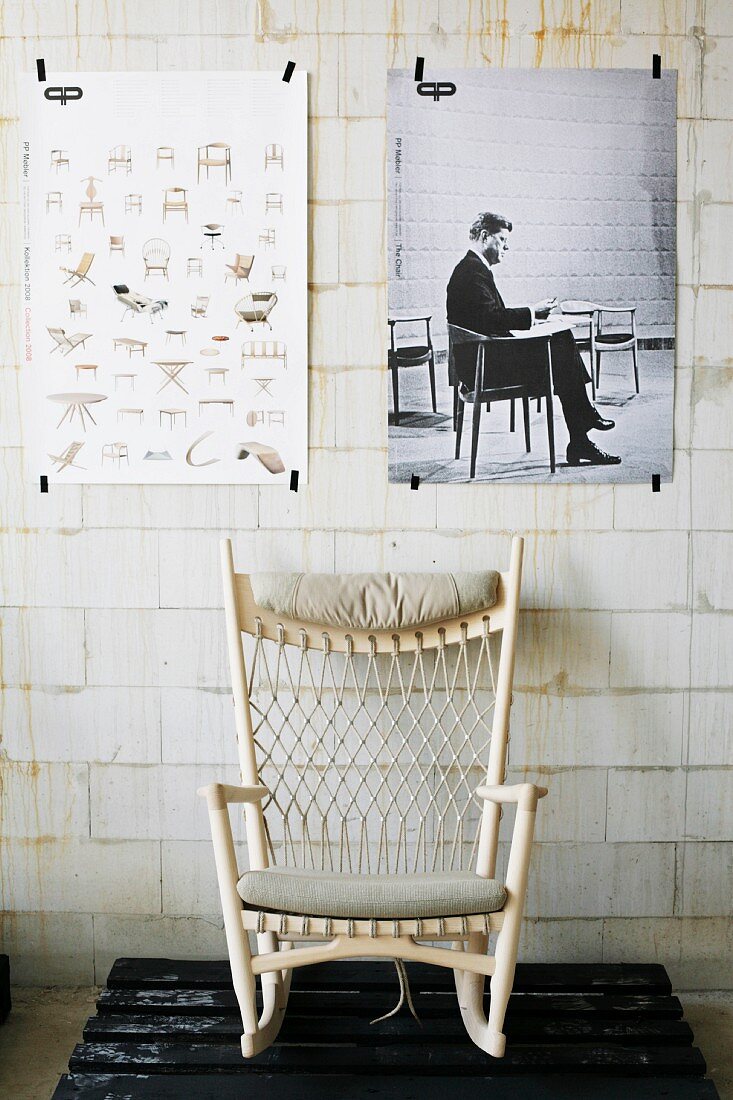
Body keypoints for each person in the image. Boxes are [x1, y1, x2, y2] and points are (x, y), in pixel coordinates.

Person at [446, 212, 621, 466]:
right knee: (561, 345)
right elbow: (492, 319)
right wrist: (531, 313)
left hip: (482, 360)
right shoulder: (472, 272)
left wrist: (532, 319)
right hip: (484, 368)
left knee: (560, 343)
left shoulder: (471, 269)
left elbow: (488, 319)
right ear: (485, 237)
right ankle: (582, 430)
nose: (507, 247)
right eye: (503, 239)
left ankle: (581, 433)